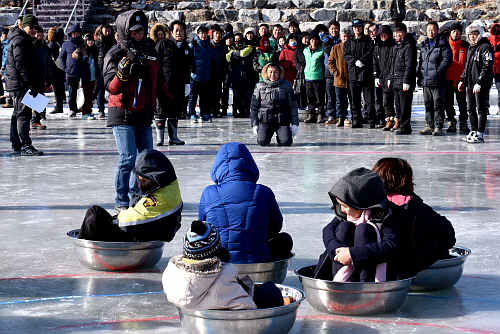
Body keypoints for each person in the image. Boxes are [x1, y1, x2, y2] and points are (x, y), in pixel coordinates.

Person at [103, 10, 172, 214]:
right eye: (134, 31)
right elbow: (110, 87)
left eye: (141, 30)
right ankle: (121, 199)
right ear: (125, 31)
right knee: (128, 158)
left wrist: (168, 100)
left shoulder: (150, 51)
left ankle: (137, 195)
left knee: (145, 159)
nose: (139, 34)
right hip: (122, 114)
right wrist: (122, 74)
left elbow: (158, 79)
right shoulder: (115, 53)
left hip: (144, 114)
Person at [198, 142, 293, 263]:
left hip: (220, 259)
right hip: (257, 259)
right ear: (250, 165)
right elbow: (276, 225)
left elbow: (202, 227)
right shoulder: (263, 191)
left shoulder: (208, 193)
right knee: (285, 239)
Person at [162, 220, 289, 310]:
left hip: (198, 310)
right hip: (222, 316)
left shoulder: (172, 268)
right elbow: (246, 306)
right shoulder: (224, 275)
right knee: (269, 290)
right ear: (216, 249)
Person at [372, 157, 456, 279]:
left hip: (377, 265)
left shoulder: (368, 204)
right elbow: (447, 234)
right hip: (411, 265)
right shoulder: (413, 205)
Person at [314, 167, 400, 282]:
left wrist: (353, 254)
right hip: (340, 273)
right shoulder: (346, 215)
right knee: (344, 227)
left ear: (360, 204)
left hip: (372, 275)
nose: (342, 210)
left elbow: (391, 246)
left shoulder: (386, 215)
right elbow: (328, 230)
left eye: (345, 206)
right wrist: (338, 249)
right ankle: (341, 282)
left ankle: (363, 285)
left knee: (363, 229)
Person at [78, 149, 183, 242]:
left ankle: (97, 256)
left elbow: (130, 222)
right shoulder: (166, 187)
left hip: (142, 238)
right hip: (143, 230)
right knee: (94, 210)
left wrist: (112, 221)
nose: (138, 178)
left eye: (140, 176)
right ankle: (84, 247)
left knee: (94, 221)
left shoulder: (159, 200)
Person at [6, 14, 43, 156]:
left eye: (36, 27)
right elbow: (21, 64)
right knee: (23, 115)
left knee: (18, 113)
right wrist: (30, 83)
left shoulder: (24, 39)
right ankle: (25, 145)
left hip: (20, 83)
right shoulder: (20, 40)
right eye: (31, 27)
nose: (34, 30)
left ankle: (16, 143)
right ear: (22, 26)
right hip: (21, 84)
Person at [155, 20, 191, 146]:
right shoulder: (163, 44)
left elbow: (187, 67)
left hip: (178, 85)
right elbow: (155, 62)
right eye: (176, 30)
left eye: (181, 30)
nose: (179, 33)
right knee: (161, 110)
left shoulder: (186, 47)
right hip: (163, 84)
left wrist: (187, 83)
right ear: (171, 32)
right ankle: (160, 138)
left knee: (175, 111)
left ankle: (173, 137)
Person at [459, 24, 493, 144]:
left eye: (474, 34)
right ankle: (473, 130)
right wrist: (462, 79)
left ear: (479, 34)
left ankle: (480, 132)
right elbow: (467, 66)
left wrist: (480, 81)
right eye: (470, 35)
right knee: (470, 108)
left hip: (480, 83)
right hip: (470, 82)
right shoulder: (471, 48)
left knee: (481, 108)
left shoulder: (485, 47)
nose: (472, 37)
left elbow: (487, 66)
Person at [250, 63, 299, 146]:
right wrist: (254, 124)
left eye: (275, 72)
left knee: (286, 142)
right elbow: (254, 106)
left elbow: (293, 105)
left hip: (282, 121)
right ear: (266, 73)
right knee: (262, 142)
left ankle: (281, 136)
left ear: (279, 73)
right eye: (270, 72)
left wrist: (295, 124)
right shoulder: (259, 86)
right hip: (266, 121)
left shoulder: (287, 85)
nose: (273, 74)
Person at [417, 21, 452, 136]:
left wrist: (438, 72)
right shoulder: (424, 44)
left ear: (437, 30)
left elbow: (447, 60)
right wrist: (419, 75)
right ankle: (429, 125)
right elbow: (421, 62)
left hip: (437, 79)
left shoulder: (443, 44)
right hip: (426, 79)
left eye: (433, 29)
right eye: (428, 30)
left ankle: (438, 125)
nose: (430, 32)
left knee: (438, 104)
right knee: (428, 104)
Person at [343, 18, 376, 128]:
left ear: (362, 28)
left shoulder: (368, 41)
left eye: (359, 27)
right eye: (355, 27)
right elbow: (346, 55)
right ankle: (356, 120)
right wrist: (354, 62)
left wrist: (362, 60)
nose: (357, 29)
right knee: (355, 100)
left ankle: (371, 120)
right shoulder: (348, 43)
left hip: (366, 74)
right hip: (353, 74)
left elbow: (370, 52)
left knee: (369, 100)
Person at [388, 23, 417, 135]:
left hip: (404, 81)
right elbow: (392, 64)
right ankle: (400, 123)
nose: (398, 34)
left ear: (405, 32)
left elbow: (410, 65)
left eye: (400, 32)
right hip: (396, 80)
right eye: (396, 32)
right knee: (398, 106)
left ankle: (405, 126)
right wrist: (390, 78)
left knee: (405, 106)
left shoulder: (409, 46)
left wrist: (407, 80)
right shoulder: (396, 46)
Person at [445, 22, 469, 134]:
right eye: (453, 31)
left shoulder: (465, 45)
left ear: (461, 33)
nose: (455, 33)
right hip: (448, 78)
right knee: (448, 102)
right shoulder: (445, 44)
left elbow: (468, 63)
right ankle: (451, 120)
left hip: (461, 79)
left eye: (458, 31)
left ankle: (463, 121)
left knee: (462, 102)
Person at [188, 25, 215, 123]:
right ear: (198, 34)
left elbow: (213, 60)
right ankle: (192, 113)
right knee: (193, 97)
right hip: (195, 76)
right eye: (201, 33)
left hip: (206, 76)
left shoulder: (210, 47)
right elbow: (189, 59)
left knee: (205, 97)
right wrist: (192, 69)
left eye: (205, 33)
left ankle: (204, 113)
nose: (203, 35)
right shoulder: (193, 46)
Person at [373, 25, 395, 132]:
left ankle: (396, 119)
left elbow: (394, 63)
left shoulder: (393, 46)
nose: (383, 37)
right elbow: (375, 63)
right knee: (385, 101)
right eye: (381, 35)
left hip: (393, 78)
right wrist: (376, 76)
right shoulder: (378, 48)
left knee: (395, 100)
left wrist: (391, 76)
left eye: (385, 35)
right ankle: (388, 119)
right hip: (382, 78)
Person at [226, 33, 255, 118]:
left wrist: (234, 54)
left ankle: (246, 110)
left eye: (239, 39)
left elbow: (243, 54)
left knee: (247, 95)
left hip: (246, 76)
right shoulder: (230, 48)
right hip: (235, 76)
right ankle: (237, 111)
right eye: (236, 40)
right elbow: (227, 58)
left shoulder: (248, 47)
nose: (238, 42)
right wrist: (234, 54)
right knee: (237, 95)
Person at [59, 24, 84, 118]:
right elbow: (61, 57)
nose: (76, 35)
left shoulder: (83, 44)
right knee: (72, 92)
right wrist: (64, 67)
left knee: (83, 91)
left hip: (82, 71)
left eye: (77, 33)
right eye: (74, 34)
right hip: (71, 72)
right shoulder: (66, 44)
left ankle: (83, 108)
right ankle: (72, 109)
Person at [72, 33, 99, 120]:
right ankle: (84, 111)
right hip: (84, 76)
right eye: (88, 41)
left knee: (91, 95)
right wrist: (78, 76)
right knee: (85, 94)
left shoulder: (95, 50)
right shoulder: (81, 51)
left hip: (93, 76)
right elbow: (77, 65)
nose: (90, 42)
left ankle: (89, 110)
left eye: (92, 40)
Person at [328, 28, 351, 127]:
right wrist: (336, 73)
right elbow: (330, 62)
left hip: (351, 78)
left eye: (347, 36)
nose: (345, 38)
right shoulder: (336, 48)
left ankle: (351, 117)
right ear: (340, 37)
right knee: (339, 100)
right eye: (343, 36)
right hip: (339, 78)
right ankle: (340, 118)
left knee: (351, 99)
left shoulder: (353, 47)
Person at [302, 30, 326, 123]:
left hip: (318, 77)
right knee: (310, 97)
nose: (314, 42)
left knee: (319, 97)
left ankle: (320, 114)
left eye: (316, 39)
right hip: (308, 76)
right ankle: (311, 114)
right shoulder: (306, 50)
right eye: (312, 40)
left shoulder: (321, 50)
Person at [31, 26, 52, 129]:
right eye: (37, 35)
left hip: (42, 75)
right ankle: (33, 119)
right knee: (33, 97)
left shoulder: (44, 47)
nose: (39, 37)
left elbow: (47, 63)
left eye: (40, 35)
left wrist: (48, 77)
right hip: (33, 76)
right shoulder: (31, 46)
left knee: (40, 97)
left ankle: (38, 118)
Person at [95, 24, 116, 119]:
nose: (107, 32)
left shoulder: (113, 42)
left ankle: (113, 109)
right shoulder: (98, 42)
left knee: (113, 89)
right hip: (100, 69)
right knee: (100, 90)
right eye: (105, 30)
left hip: (110, 69)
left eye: (108, 30)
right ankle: (101, 110)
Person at [322, 21, 341, 125]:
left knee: (340, 95)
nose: (334, 30)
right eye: (332, 28)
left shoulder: (341, 40)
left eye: (336, 28)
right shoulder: (326, 40)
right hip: (329, 72)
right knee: (330, 95)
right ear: (329, 30)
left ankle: (340, 115)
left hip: (340, 72)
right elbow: (328, 52)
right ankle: (331, 114)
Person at [209, 25, 227, 118]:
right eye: (216, 34)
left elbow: (225, 59)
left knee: (217, 92)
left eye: (219, 34)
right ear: (212, 35)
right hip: (209, 72)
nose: (218, 36)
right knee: (208, 92)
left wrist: (223, 71)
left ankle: (216, 109)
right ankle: (207, 109)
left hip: (219, 72)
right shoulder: (209, 45)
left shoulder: (223, 46)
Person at [47, 26, 66, 115]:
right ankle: (61, 103)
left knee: (56, 89)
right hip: (61, 68)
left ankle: (58, 106)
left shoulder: (52, 45)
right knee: (60, 87)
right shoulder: (62, 43)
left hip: (54, 69)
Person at [293, 32, 309, 110]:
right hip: (301, 74)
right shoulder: (298, 50)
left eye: (308, 38)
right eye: (305, 38)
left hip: (311, 73)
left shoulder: (311, 48)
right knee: (300, 92)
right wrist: (302, 69)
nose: (307, 40)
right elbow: (296, 62)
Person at [489, 23, 500, 115]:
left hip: (499, 69)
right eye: (494, 29)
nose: (496, 30)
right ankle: (485, 107)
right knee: (485, 89)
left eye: (498, 29)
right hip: (489, 68)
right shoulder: (488, 40)